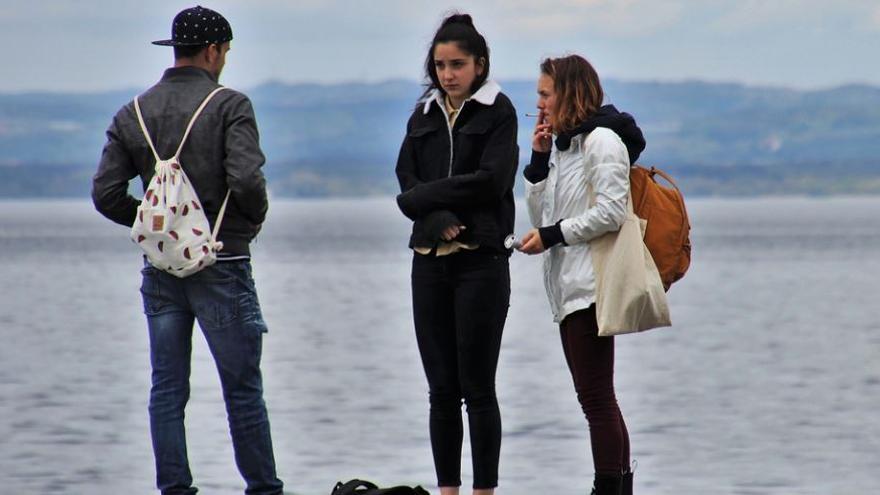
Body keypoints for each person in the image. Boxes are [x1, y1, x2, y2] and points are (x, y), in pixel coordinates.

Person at [91, 6, 283, 495]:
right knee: (242, 392)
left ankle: (175, 490)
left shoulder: (131, 112)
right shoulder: (229, 104)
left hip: (160, 267)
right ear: (214, 51)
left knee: (167, 389)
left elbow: (106, 194)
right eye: (226, 52)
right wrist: (251, 221)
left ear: (174, 50)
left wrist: (157, 224)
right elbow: (246, 180)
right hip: (224, 260)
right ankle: (264, 490)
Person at [394, 13, 518, 495]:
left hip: (481, 260)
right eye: (441, 65)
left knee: (478, 389)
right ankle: (447, 490)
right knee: (441, 390)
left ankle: (484, 491)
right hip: (428, 260)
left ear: (480, 65)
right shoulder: (422, 114)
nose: (448, 74)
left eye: (458, 64)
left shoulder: (498, 111)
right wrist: (432, 216)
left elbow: (493, 180)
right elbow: (405, 183)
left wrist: (429, 200)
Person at [517, 55, 647, 495]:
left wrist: (553, 235)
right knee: (596, 397)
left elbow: (611, 212)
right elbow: (542, 215)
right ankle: (619, 485)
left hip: (590, 285)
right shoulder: (564, 147)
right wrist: (536, 165)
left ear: (569, 93)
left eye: (545, 94)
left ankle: (607, 488)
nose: (539, 104)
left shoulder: (603, 142)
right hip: (567, 287)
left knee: (596, 398)